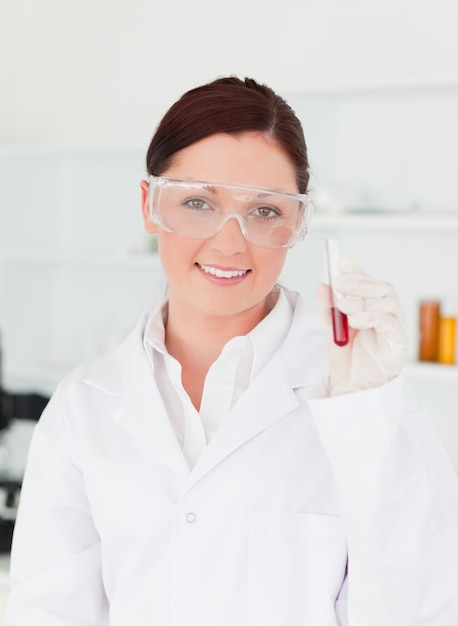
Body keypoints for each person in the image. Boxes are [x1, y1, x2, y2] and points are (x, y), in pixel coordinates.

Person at [5, 76, 458, 626]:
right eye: (197, 201)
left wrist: (366, 417)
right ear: (149, 204)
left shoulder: (362, 400)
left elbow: (418, 609)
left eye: (265, 211)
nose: (229, 241)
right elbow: (48, 614)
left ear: (298, 222)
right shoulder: (84, 408)